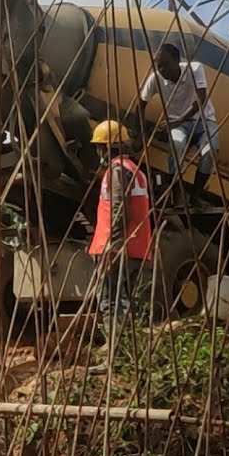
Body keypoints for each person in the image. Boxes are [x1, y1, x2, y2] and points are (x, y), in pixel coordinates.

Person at [86, 120, 153, 376]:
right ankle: (130, 357)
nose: (99, 152)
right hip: (134, 246)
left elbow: (118, 210)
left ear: (108, 147)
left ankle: (116, 360)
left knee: (111, 304)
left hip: (118, 248)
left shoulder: (116, 171)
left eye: (100, 147)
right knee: (127, 303)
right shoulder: (134, 169)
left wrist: (112, 246)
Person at [138, 42, 220, 205]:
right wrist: (141, 134)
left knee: (210, 153)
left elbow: (201, 98)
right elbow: (141, 103)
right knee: (177, 148)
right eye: (159, 66)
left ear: (177, 61)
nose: (162, 71)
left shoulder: (195, 69)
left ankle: (196, 196)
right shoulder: (156, 78)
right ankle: (177, 194)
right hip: (178, 125)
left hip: (204, 120)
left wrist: (179, 120)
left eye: (165, 66)